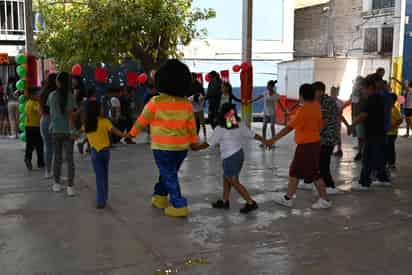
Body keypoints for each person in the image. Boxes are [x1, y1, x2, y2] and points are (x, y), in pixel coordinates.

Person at [128, 59, 198, 218]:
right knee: (168, 172)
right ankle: (160, 197)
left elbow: (142, 120)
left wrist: (131, 134)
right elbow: (191, 126)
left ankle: (178, 204)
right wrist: (194, 142)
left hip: (162, 147)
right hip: (181, 148)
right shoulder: (186, 104)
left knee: (168, 173)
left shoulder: (155, 102)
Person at [267, 83, 332, 209]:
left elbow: (289, 128)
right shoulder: (316, 106)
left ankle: (325, 200)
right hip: (312, 144)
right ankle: (288, 198)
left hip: (307, 146)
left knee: (314, 173)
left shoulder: (304, 110)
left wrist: (272, 140)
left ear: (301, 95)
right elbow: (320, 124)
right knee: (295, 171)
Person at [192, 103, 264, 213]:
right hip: (238, 155)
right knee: (226, 178)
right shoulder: (238, 124)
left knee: (233, 181)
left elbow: (209, 143)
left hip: (230, 158)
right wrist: (265, 140)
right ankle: (225, 201)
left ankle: (251, 202)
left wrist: (197, 148)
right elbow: (252, 135)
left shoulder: (220, 128)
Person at [350, 74, 391, 190]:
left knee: (367, 157)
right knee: (378, 157)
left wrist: (352, 125)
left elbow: (363, 115)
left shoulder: (372, 99)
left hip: (374, 133)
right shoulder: (378, 98)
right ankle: (383, 179)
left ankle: (364, 183)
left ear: (369, 88)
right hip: (379, 132)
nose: (362, 91)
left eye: (363, 89)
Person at [84, 99, 127, 209]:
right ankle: (104, 197)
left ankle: (101, 201)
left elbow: (77, 133)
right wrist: (127, 136)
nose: (103, 109)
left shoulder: (87, 124)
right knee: (105, 175)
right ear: (97, 110)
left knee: (99, 177)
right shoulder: (104, 121)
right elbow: (116, 131)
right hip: (105, 152)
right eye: (101, 107)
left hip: (95, 153)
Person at [47, 72, 76, 196]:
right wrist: (72, 131)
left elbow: (52, 114)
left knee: (57, 158)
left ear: (58, 82)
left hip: (55, 130)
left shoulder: (51, 95)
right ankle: (70, 187)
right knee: (70, 160)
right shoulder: (71, 96)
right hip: (68, 131)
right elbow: (70, 116)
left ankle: (57, 184)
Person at [313, 81, 341, 195]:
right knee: (320, 162)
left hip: (327, 137)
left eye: (315, 91)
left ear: (320, 91)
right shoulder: (319, 101)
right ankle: (325, 184)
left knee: (323, 163)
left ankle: (330, 186)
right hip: (323, 137)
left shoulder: (327, 102)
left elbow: (324, 122)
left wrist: (314, 135)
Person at [39, 73, 57, 178]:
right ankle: (55, 171)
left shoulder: (43, 92)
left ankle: (48, 171)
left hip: (44, 120)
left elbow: (40, 110)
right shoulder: (56, 94)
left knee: (47, 146)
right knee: (56, 147)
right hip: (55, 120)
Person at [24, 88, 45, 170]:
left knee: (29, 144)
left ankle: (27, 158)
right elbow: (40, 111)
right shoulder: (35, 103)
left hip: (28, 126)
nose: (39, 95)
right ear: (32, 95)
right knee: (39, 145)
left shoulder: (27, 103)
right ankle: (40, 162)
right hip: (36, 127)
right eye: (38, 94)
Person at [349, 76, 367, 161]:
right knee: (359, 136)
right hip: (355, 115)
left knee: (362, 136)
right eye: (357, 82)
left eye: (359, 83)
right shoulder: (354, 92)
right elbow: (351, 101)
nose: (357, 84)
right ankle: (361, 151)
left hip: (361, 116)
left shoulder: (364, 93)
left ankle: (361, 152)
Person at [330, 86, 349, 157]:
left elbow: (340, 113)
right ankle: (337, 150)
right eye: (332, 92)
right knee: (334, 135)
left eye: (334, 92)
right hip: (334, 121)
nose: (333, 93)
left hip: (336, 121)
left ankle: (339, 150)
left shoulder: (339, 102)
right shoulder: (332, 101)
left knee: (337, 136)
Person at [386, 93, 402, 174]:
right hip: (386, 132)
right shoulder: (387, 108)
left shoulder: (395, 110)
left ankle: (391, 163)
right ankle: (388, 162)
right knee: (387, 148)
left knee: (390, 148)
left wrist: (392, 126)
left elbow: (400, 120)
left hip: (392, 133)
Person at [188, 74, 207, 141]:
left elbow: (203, 95)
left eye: (192, 77)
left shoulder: (199, 85)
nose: (191, 79)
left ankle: (204, 135)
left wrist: (203, 101)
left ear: (194, 78)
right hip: (193, 107)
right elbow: (188, 96)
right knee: (194, 122)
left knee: (201, 122)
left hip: (198, 107)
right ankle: (195, 134)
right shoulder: (189, 84)